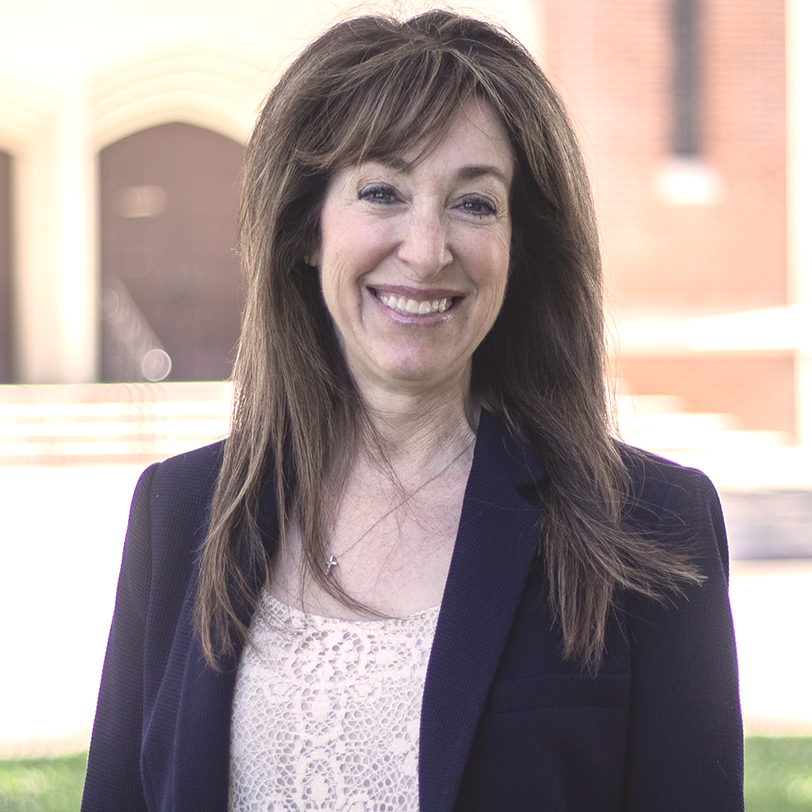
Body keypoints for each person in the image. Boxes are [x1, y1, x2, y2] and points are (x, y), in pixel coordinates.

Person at [81, 10, 744, 812]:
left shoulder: (651, 527)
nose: (427, 250)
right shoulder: (178, 515)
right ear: (307, 230)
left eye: (474, 203)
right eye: (383, 192)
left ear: (518, 242)